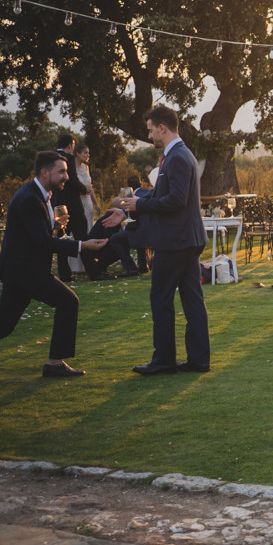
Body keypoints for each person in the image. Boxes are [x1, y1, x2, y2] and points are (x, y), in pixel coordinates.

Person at [0, 151, 108, 380]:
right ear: (45, 173)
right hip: (26, 271)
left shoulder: (41, 194)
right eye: (61, 171)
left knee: (2, 325)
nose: (66, 176)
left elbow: (36, 234)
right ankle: (54, 363)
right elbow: (43, 243)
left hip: (20, 271)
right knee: (68, 302)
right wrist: (83, 245)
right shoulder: (29, 199)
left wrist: (56, 227)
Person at [117, 105, 210, 375]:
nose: (149, 137)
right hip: (186, 239)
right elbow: (161, 192)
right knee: (192, 300)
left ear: (162, 128)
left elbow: (176, 200)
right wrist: (131, 201)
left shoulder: (177, 157)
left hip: (176, 240)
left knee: (161, 299)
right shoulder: (178, 154)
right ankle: (198, 360)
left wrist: (139, 206)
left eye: (150, 130)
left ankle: (165, 360)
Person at [80, 198, 141, 280]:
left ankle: (131, 268)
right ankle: (101, 266)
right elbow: (108, 237)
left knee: (120, 242)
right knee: (120, 244)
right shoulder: (111, 218)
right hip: (97, 248)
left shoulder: (109, 217)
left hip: (97, 248)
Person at [55, 135, 88, 281]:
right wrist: (83, 189)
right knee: (82, 237)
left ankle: (64, 274)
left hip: (58, 205)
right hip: (73, 206)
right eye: (73, 145)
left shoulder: (51, 158)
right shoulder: (67, 158)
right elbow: (72, 180)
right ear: (70, 145)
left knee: (62, 239)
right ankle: (92, 270)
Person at [76, 144, 96, 232]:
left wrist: (96, 203)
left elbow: (90, 187)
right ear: (77, 154)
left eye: (88, 153)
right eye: (85, 153)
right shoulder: (71, 168)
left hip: (88, 202)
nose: (88, 155)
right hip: (78, 202)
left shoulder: (86, 168)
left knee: (89, 227)